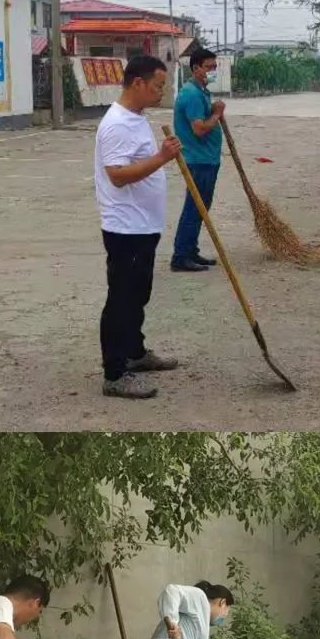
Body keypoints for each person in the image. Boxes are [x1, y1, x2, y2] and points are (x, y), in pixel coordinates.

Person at [94, 54, 183, 401]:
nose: (162, 92)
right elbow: (116, 176)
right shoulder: (116, 124)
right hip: (125, 227)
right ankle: (115, 373)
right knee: (121, 300)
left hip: (143, 225)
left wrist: (161, 156)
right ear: (137, 83)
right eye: (158, 86)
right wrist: (161, 158)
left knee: (138, 295)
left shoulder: (136, 118)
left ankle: (135, 352)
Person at [171, 48, 226, 273]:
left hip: (207, 159)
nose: (212, 71)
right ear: (195, 68)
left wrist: (213, 109)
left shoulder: (201, 91)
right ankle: (181, 256)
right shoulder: (192, 94)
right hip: (198, 160)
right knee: (194, 208)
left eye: (215, 67)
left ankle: (190, 250)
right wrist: (216, 114)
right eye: (209, 67)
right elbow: (200, 128)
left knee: (201, 207)